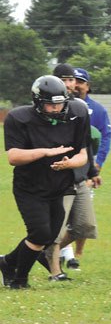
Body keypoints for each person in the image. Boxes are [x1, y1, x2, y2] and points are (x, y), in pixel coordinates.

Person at [0, 75, 89, 289]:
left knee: (48, 238)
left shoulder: (77, 113)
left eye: (60, 103)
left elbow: (84, 153)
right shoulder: (19, 118)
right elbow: (13, 157)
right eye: (50, 104)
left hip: (59, 186)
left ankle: (7, 262)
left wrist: (70, 164)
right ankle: (19, 280)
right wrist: (45, 152)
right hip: (30, 187)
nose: (56, 108)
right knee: (39, 234)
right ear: (38, 102)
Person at [42, 64, 101, 280]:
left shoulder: (79, 108)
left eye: (71, 80)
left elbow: (85, 143)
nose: (69, 84)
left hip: (78, 174)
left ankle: (45, 251)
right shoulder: (41, 108)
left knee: (85, 226)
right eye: (63, 80)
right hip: (55, 177)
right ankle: (55, 271)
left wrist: (92, 170)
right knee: (56, 228)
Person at [59, 67, 111, 270]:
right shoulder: (61, 105)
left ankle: (73, 253)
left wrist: (96, 166)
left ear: (87, 86)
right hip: (64, 168)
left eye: (80, 81)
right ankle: (67, 255)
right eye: (74, 80)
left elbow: (103, 138)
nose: (77, 85)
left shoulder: (96, 110)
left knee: (82, 218)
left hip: (85, 168)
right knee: (63, 216)